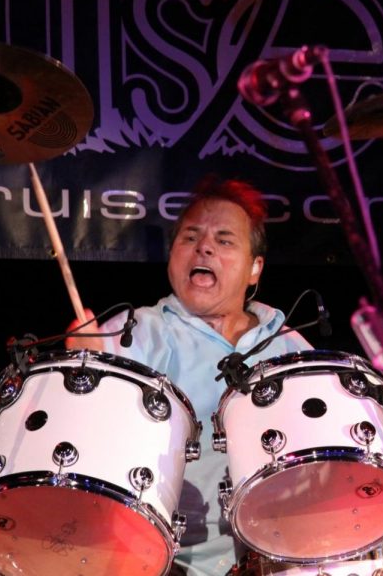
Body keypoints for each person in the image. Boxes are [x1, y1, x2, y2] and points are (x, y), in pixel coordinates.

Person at [66, 175, 312, 575]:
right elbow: (84, 433)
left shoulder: (291, 347)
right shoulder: (135, 332)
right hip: (158, 562)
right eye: (190, 237)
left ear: (255, 268)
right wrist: (87, 370)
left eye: (224, 239)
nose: (205, 246)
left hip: (281, 561)